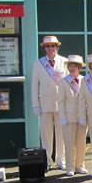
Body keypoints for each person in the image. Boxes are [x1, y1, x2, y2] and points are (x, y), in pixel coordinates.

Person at [31, 36, 67, 170]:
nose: (50, 48)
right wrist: (35, 105)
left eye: (53, 46)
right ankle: (46, 160)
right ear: (44, 48)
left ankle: (61, 159)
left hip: (61, 104)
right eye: (48, 46)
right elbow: (35, 86)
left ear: (57, 47)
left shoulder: (65, 62)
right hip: (45, 103)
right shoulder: (38, 63)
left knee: (61, 133)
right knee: (46, 134)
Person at [58, 55, 88, 176]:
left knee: (81, 143)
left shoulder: (84, 80)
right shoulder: (63, 82)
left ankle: (80, 165)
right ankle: (70, 166)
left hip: (82, 116)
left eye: (75, 66)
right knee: (69, 143)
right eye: (70, 65)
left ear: (79, 67)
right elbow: (60, 101)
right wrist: (63, 117)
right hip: (69, 117)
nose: (72, 68)